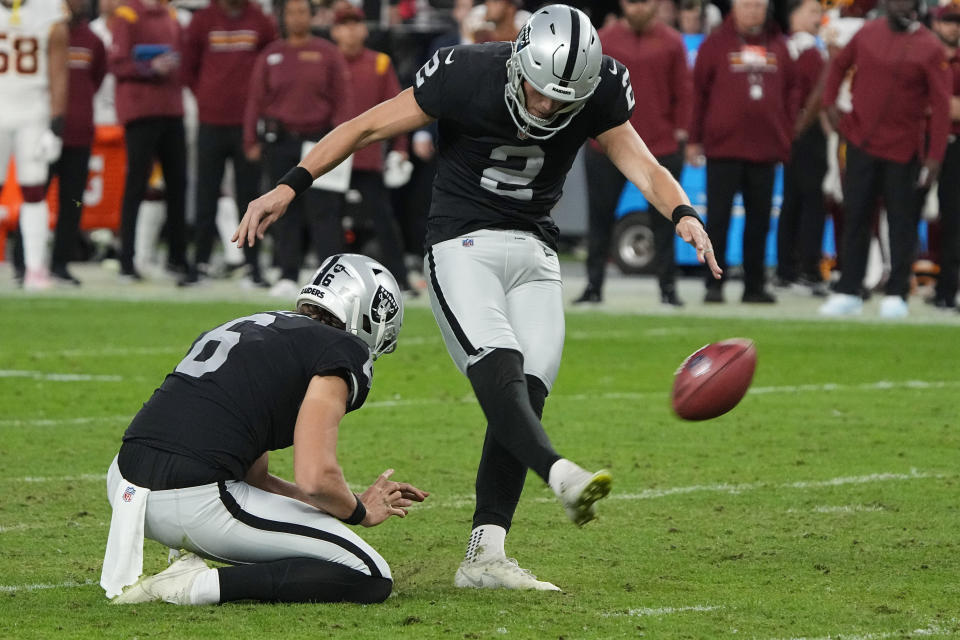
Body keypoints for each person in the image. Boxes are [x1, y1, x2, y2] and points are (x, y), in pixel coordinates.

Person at [234, 4, 721, 591]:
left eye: (562, 102)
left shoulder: (596, 90)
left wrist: (683, 212)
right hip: (462, 242)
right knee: (501, 372)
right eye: (539, 92)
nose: (546, 108)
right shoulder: (465, 73)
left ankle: (485, 555)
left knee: (529, 390)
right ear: (519, 63)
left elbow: (640, 161)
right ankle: (560, 473)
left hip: (537, 247)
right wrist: (290, 185)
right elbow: (363, 126)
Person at [101, 253, 428, 605]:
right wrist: (360, 512)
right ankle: (194, 587)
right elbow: (315, 477)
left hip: (124, 485)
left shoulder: (255, 325)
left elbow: (256, 479)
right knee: (371, 575)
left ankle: (188, 571)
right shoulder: (343, 349)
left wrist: (345, 503)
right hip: (192, 497)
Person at [818, 0, 950, 318]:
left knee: (901, 224)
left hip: (904, 149)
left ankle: (897, 293)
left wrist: (934, 156)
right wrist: (829, 103)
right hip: (861, 141)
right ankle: (849, 288)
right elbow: (837, 65)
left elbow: (941, 105)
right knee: (856, 218)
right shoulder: (867, 33)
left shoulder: (929, 47)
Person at [574, 0, 693, 307]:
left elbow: (683, 90)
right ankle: (593, 286)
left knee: (667, 221)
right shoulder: (604, 39)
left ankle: (668, 289)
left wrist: (682, 133)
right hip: (606, 146)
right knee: (598, 222)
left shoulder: (672, 42)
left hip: (660, 148)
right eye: (632, 1)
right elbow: (585, 88)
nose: (638, 8)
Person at [243, 0, 352, 298]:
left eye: (302, 12)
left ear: (312, 16)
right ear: (283, 17)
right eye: (291, 12)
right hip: (280, 141)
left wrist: (343, 140)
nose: (297, 17)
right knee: (283, 209)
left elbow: (343, 99)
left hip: (320, 141)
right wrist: (250, 138)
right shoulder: (271, 54)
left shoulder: (327, 53)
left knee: (325, 211)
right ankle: (287, 272)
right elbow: (256, 99)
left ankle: (331, 275)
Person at [688, 0, 795, 304]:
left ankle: (755, 286)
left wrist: (785, 134)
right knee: (718, 221)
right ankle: (714, 284)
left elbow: (791, 92)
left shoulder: (779, 46)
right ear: (734, 7)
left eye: (759, 5)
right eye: (747, 5)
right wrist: (695, 140)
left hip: (765, 150)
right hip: (723, 149)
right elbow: (698, 95)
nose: (753, 11)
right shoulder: (715, 45)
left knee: (759, 222)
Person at [179, 0, 277, 288]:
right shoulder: (204, 19)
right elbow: (188, 68)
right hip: (211, 122)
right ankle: (200, 263)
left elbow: (270, 66)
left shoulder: (260, 19)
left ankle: (253, 266)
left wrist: (257, 107)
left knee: (252, 197)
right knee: (205, 195)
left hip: (247, 124)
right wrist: (208, 98)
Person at [329, 6, 411, 291]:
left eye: (355, 23)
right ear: (334, 30)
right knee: (327, 220)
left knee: (383, 219)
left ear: (365, 28)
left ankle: (400, 277)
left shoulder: (379, 63)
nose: (350, 30)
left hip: (367, 155)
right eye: (344, 24)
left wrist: (400, 149)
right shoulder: (327, 61)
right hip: (332, 157)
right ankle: (329, 282)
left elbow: (399, 108)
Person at [109, 0, 189, 281]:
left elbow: (184, 56)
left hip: (172, 109)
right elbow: (117, 63)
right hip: (140, 112)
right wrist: (149, 68)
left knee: (178, 185)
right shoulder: (126, 14)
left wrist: (171, 64)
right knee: (136, 186)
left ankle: (177, 259)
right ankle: (126, 261)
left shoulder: (171, 15)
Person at [0, 0, 68, 290]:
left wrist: (55, 123)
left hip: (33, 112)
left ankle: (35, 268)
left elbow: (58, 70)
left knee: (34, 190)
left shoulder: (49, 11)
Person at [47, 0, 107, 287]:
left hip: (80, 133)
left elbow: (96, 77)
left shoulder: (93, 40)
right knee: (33, 198)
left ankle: (60, 263)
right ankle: (26, 262)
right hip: (44, 132)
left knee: (72, 204)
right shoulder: (44, 33)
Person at [774, 0, 828, 297]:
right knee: (811, 202)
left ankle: (785, 269)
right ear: (793, 14)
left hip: (787, 134)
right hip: (807, 134)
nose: (818, 17)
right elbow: (819, 94)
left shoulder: (783, 48)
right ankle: (808, 269)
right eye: (812, 11)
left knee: (792, 202)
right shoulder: (809, 51)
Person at [929, 3, 960, 311]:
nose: (954, 28)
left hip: (954, 146)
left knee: (953, 219)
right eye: (948, 22)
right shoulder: (922, 55)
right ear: (936, 24)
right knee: (901, 216)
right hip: (917, 144)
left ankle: (947, 289)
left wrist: (936, 106)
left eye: (958, 23)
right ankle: (897, 285)